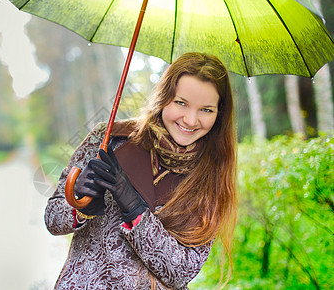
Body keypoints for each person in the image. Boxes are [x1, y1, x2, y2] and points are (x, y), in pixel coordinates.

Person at [45, 52, 238, 289]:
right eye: (181, 103)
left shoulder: (210, 176)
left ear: (219, 114)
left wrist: (135, 208)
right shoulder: (109, 139)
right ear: (164, 97)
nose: (190, 120)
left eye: (206, 110)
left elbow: (181, 272)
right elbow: (53, 218)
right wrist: (80, 204)